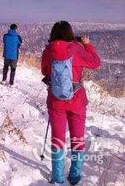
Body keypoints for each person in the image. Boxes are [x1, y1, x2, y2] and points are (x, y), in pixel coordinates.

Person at [41, 21, 101, 185]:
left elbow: (45, 71)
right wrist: (87, 46)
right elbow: (96, 63)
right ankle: (74, 176)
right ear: (70, 34)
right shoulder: (77, 50)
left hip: (56, 102)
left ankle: (58, 177)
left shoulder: (48, 51)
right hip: (77, 101)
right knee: (77, 139)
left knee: (58, 139)